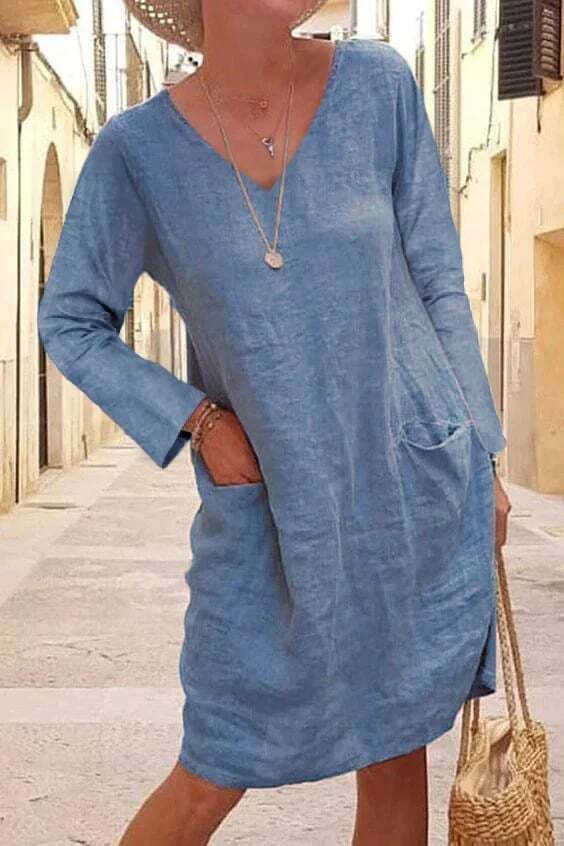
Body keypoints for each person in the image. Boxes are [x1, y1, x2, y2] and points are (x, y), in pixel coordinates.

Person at [37, 1, 512, 844]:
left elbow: (438, 277)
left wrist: (482, 451)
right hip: (270, 513)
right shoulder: (138, 153)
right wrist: (197, 419)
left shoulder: (379, 88)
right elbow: (71, 319)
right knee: (212, 768)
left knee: (396, 752)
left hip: (409, 487)